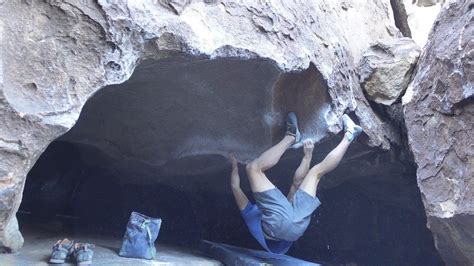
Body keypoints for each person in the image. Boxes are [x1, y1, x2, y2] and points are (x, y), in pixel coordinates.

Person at [229, 113, 362, 254]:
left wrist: (307, 157)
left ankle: (349, 135)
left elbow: (296, 183)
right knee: (253, 168)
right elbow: (235, 187)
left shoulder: (283, 209)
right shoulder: (252, 213)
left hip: (296, 231)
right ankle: (291, 137)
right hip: (278, 225)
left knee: (316, 173)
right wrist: (234, 165)